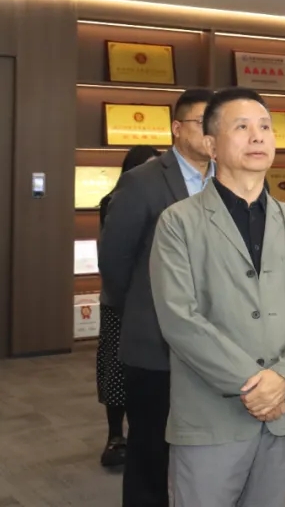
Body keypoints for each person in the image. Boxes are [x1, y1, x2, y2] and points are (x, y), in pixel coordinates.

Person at [148, 87, 285, 507]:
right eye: (242, 127)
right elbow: (179, 317)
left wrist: (284, 378)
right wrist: (255, 387)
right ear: (211, 145)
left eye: (266, 127)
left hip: (283, 411)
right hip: (211, 413)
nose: (257, 136)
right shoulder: (179, 222)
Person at [99, 88, 214, 507]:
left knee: (209, 449)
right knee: (150, 450)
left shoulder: (230, 178)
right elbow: (115, 262)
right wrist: (147, 312)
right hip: (156, 343)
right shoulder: (142, 182)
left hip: (219, 341)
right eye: (203, 122)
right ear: (177, 129)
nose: (213, 132)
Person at [96, 144, 160, 468]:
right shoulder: (114, 201)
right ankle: (115, 436)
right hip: (120, 301)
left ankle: (143, 434)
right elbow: (114, 257)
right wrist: (124, 297)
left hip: (155, 299)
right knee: (116, 370)